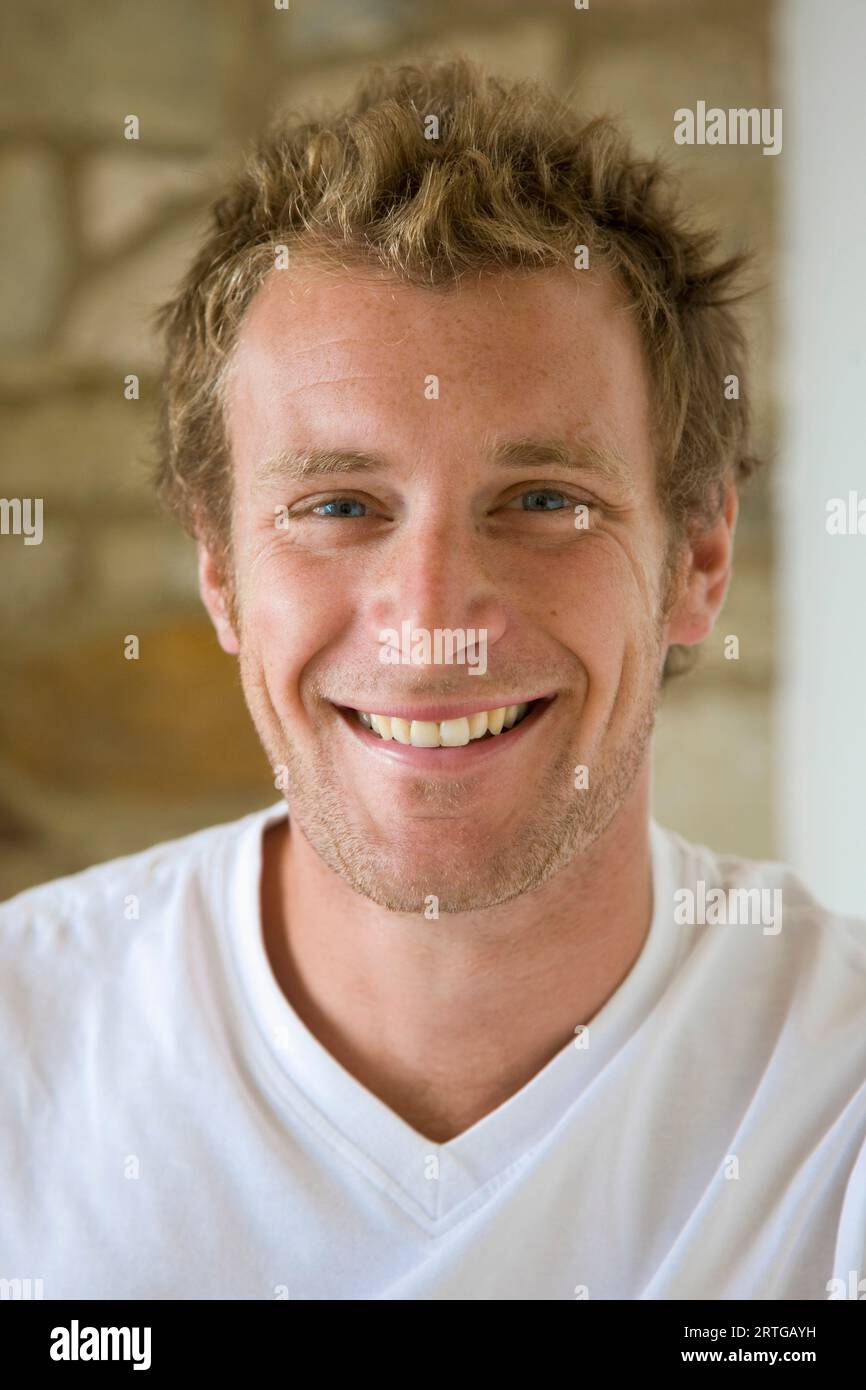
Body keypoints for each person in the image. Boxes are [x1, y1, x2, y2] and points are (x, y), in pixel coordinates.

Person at [1, 58, 864, 1302]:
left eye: (543, 500)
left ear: (699, 559)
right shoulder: (26, 1047)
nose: (431, 619)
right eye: (339, 504)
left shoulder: (833, 1101)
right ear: (222, 571)